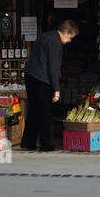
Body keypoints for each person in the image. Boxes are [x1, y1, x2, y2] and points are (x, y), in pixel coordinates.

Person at [20, 19, 78, 151]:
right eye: (70, 37)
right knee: (45, 112)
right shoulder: (55, 42)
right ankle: (46, 145)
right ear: (66, 32)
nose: (69, 41)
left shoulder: (45, 36)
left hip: (30, 75)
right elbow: (53, 67)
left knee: (34, 110)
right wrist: (56, 90)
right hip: (42, 79)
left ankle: (28, 142)